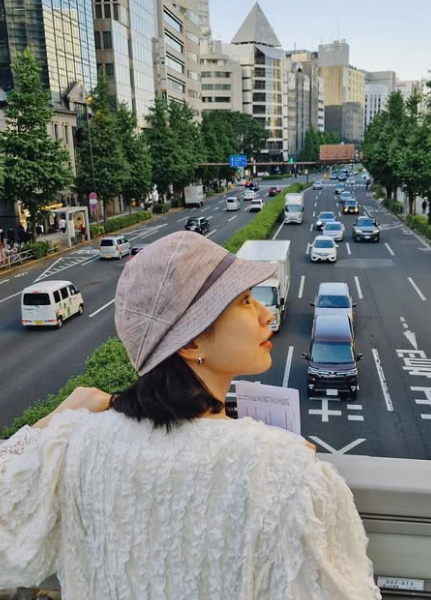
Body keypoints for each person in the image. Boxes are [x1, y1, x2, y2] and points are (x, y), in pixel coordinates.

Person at [0, 232, 381, 600]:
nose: (266, 314)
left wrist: (56, 419)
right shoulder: (284, 468)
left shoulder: (77, 445)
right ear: (191, 341)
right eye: (245, 301)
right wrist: (292, 466)